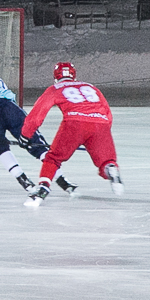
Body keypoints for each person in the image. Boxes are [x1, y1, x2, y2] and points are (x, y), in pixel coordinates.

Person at [0, 55, 73, 194]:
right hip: (11, 108)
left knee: (0, 147)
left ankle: (23, 180)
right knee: (35, 142)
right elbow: (1, 106)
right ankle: (61, 179)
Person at [21, 62, 123, 203]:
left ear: (56, 76)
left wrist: (25, 135)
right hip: (100, 124)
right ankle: (110, 169)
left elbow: (37, 114)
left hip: (74, 123)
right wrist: (98, 137)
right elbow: (107, 113)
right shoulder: (90, 87)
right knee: (106, 161)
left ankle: (42, 189)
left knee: (53, 159)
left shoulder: (55, 88)